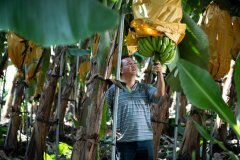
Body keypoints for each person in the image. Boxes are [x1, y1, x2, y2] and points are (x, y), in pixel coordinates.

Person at [105, 55, 165, 160]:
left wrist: (160, 74)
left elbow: (160, 93)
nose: (133, 65)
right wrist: (108, 130)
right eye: (129, 64)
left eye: (134, 63)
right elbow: (102, 110)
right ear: (121, 70)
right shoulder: (113, 90)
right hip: (124, 142)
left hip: (145, 140)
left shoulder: (145, 88)